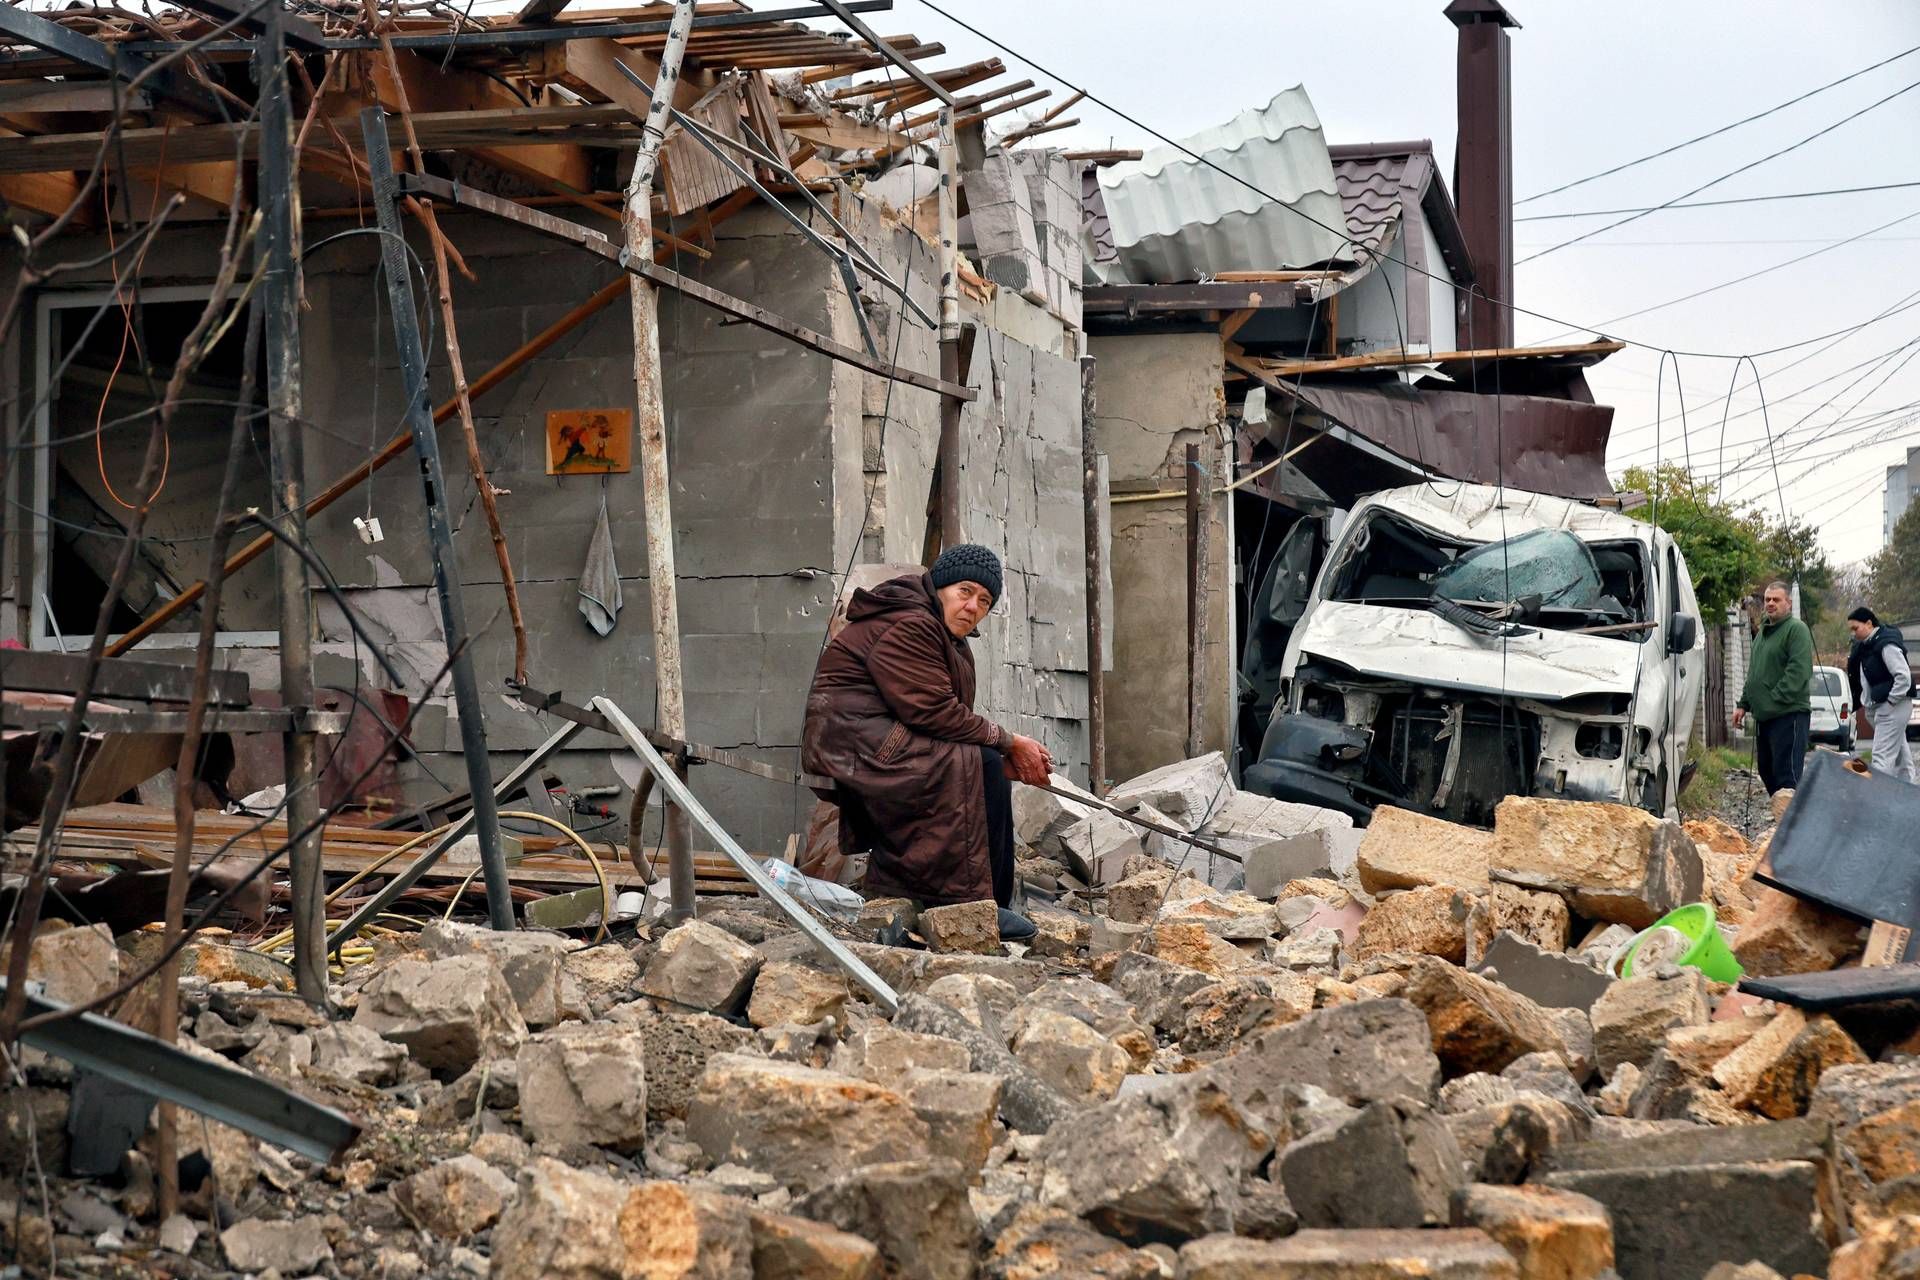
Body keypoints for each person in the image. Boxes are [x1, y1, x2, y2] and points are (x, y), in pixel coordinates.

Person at [802, 545, 1052, 941]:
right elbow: (932, 710)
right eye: (964, 592)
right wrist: (1009, 741)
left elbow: (939, 713)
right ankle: (968, 902)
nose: (972, 607)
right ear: (939, 587)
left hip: (881, 738)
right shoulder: (911, 624)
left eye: (984, 601)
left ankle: (988, 904)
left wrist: (997, 748)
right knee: (979, 763)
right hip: (857, 745)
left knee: (982, 763)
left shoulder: (940, 632)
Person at [1734, 581, 1813, 794]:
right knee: (1767, 772)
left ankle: (1793, 824)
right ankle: (1783, 820)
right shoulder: (1762, 632)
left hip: (1789, 715)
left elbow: (1798, 672)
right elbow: (1755, 673)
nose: (1770, 603)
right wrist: (1744, 704)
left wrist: (1772, 699)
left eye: (1776, 599)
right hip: (1766, 717)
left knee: (1787, 777)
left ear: (1788, 602)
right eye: (1767, 599)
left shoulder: (1796, 630)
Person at [1846, 606, 1915, 783]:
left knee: (1881, 756)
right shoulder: (1865, 646)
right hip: (1880, 706)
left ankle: (1878, 798)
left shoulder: (1886, 644)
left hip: (1893, 706)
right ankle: (1908, 794)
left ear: (1869, 623)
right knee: (1900, 755)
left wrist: (1890, 703)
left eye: (1856, 628)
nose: (1853, 633)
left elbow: (1903, 676)